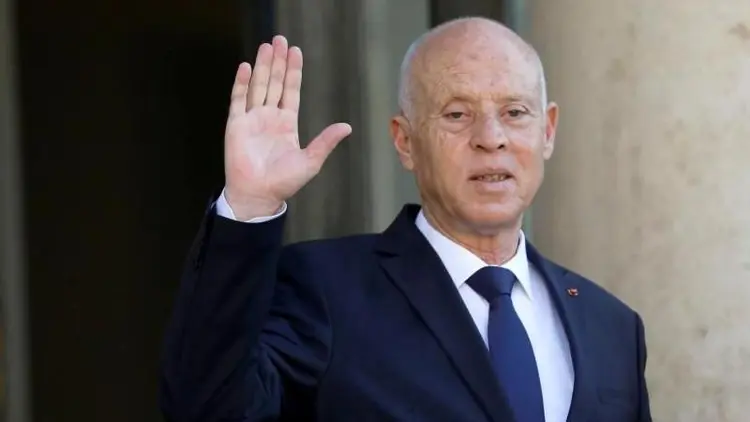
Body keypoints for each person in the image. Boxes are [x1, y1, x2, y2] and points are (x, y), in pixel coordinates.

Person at [160, 17, 652, 422]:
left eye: (515, 112)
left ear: (547, 131)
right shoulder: (326, 291)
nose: (491, 138)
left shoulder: (611, 326)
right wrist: (248, 206)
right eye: (457, 114)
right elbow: (208, 409)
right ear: (405, 141)